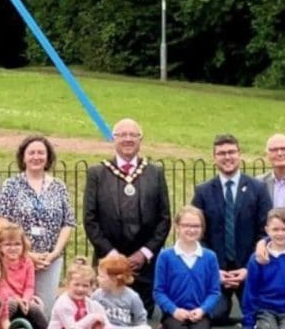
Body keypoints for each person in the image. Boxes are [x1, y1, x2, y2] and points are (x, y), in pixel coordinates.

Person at [84, 118, 171, 315]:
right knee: (105, 318)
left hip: (144, 266)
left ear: (141, 139)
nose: (128, 139)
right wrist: (112, 254)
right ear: (113, 139)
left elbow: (164, 219)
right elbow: (90, 219)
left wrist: (144, 253)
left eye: (133, 135)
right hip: (109, 264)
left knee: (141, 317)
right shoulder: (97, 173)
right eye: (122, 135)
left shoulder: (155, 172)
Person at [191, 134, 272, 325]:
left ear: (239, 154)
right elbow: (196, 234)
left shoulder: (258, 188)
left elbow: (266, 231)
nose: (227, 157)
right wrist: (214, 270)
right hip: (217, 270)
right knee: (215, 313)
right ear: (214, 157)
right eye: (221, 153)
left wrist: (248, 268)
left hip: (248, 268)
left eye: (231, 152)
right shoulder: (203, 191)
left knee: (258, 314)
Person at [0, 135, 76, 315]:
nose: (36, 157)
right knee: (17, 308)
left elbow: (68, 222)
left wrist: (54, 253)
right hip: (18, 259)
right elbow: (2, 221)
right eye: (31, 153)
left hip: (50, 260)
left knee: (43, 310)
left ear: (48, 158)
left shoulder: (59, 186)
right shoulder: (12, 185)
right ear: (23, 157)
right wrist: (26, 254)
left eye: (41, 153)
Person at [152, 206, 221, 329]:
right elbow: (158, 292)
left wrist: (202, 310)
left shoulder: (210, 257)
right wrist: (174, 310)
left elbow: (214, 292)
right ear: (177, 227)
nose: (191, 229)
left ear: (202, 228)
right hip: (173, 314)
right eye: (186, 225)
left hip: (200, 314)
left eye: (196, 226)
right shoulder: (165, 256)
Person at [241, 208, 285, 329]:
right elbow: (250, 291)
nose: (280, 233)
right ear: (267, 230)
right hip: (266, 310)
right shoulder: (258, 258)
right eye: (275, 229)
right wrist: (248, 323)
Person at [0, 223, 48, 329]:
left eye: (17, 244)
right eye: (8, 245)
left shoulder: (28, 262)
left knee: (35, 309)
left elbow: (30, 286)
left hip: (25, 299)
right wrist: (17, 299)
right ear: (0, 246)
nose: (13, 248)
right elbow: (2, 286)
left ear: (23, 245)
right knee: (10, 304)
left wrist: (25, 299)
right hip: (7, 298)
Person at [49, 257, 111, 329]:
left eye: (85, 286)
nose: (80, 289)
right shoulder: (63, 304)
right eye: (76, 284)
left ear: (91, 287)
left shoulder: (89, 303)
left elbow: (105, 322)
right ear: (67, 284)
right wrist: (92, 318)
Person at [92, 253, 151, 329]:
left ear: (114, 279)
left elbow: (141, 320)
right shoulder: (97, 295)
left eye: (101, 276)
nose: (97, 278)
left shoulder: (132, 297)